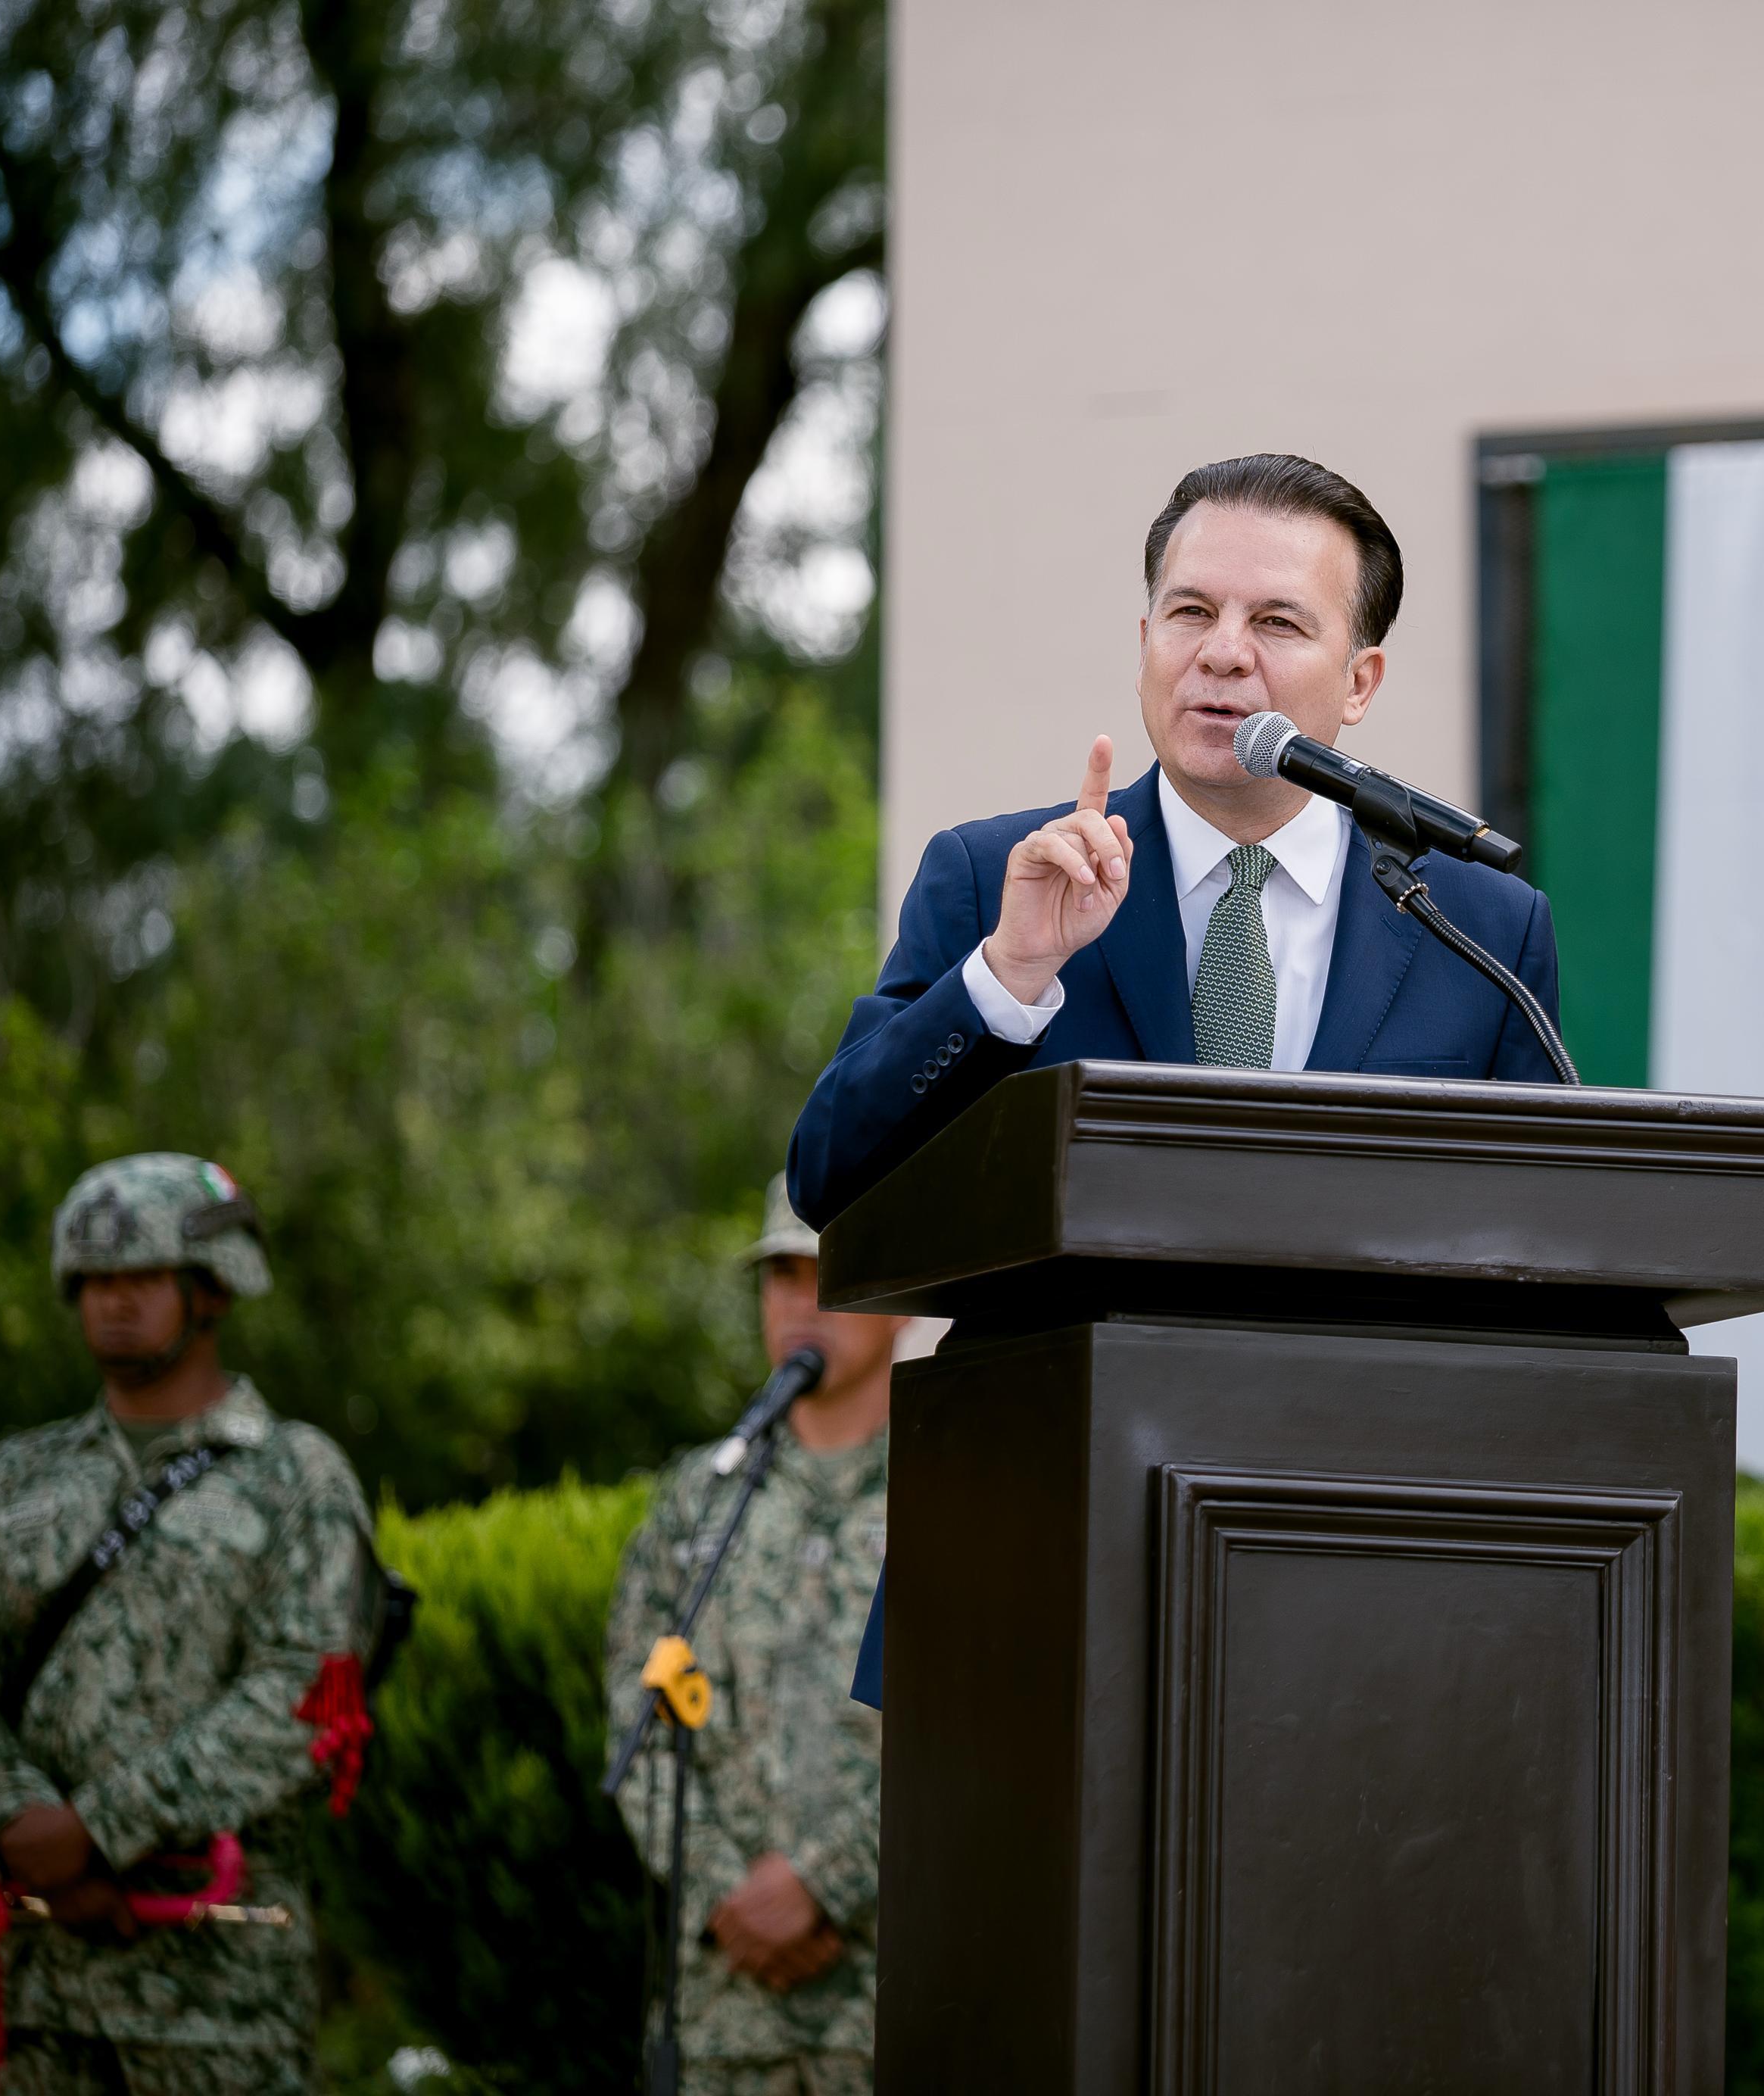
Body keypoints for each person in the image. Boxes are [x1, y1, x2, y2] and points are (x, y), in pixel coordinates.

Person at [786, 451, 1569, 1232]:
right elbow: (828, 1179)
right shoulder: (995, 881)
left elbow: (1547, 1223)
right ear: (1145, 644)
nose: (1222, 653)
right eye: (1191, 612)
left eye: (1277, 622)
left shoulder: (1483, 928)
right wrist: (1008, 975)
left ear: (1358, 683)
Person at [0, 1155, 378, 2096]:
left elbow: (305, 1696)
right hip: (33, 1994)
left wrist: (98, 1829)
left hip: (218, 2004)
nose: (114, 1300)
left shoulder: (296, 1477)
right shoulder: (18, 1477)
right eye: (95, 1278)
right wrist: (14, 1818)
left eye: (143, 1275)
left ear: (212, 1288)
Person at [607, 1177, 905, 2096]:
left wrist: (823, 1884)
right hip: (723, 2018)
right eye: (779, 1274)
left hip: (891, 2008)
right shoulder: (700, 1498)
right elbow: (636, 1716)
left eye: (827, 1271)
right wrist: (726, 1895)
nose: (799, 1301)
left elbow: (989, 1738)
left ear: (900, 1296)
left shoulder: (954, 1484)